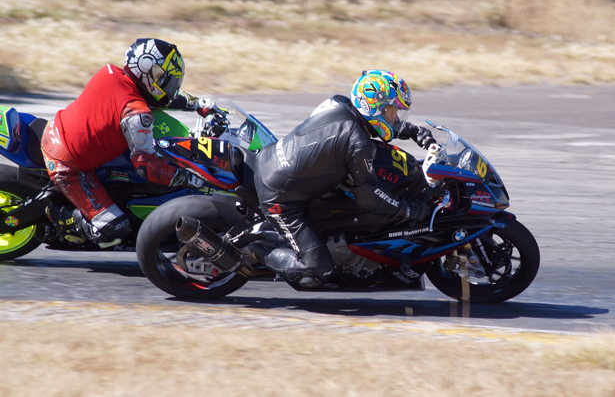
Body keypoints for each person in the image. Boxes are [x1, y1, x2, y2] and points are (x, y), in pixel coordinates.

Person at [251, 69, 434, 288]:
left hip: (271, 156)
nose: (395, 118)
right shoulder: (359, 144)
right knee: (317, 270)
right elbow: (370, 198)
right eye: (392, 111)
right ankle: (252, 251)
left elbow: (372, 128)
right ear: (373, 107)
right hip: (279, 196)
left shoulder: (337, 103)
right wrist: (411, 211)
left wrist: (412, 131)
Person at [40, 38, 218, 248]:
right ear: (146, 71)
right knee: (114, 229)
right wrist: (189, 178)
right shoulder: (136, 114)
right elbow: (148, 168)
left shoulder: (111, 73)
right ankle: (60, 214)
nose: (169, 86)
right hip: (67, 164)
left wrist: (197, 104)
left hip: (56, 128)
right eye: (164, 78)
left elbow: (160, 98)